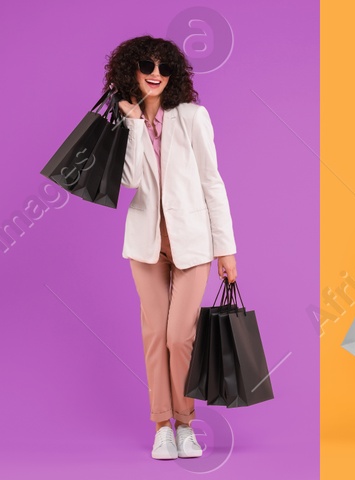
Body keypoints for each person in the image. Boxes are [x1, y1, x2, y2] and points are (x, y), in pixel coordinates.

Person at [111, 35, 239, 461]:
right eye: (147, 64)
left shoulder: (192, 116)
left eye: (164, 67)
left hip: (193, 241)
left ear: (174, 74)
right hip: (146, 243)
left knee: (179, 336)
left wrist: (227, 249)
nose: (155, 73)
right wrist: (131, 122)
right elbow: (128, 180)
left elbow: (212, 181)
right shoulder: (124, 120)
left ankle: (186, 422)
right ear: (131, 68)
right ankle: (162, 426)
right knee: (154, 336)